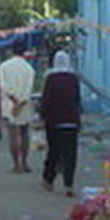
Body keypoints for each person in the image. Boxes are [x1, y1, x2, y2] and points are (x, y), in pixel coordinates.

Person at [39, 50, 81, 196]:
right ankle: (69, 185)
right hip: (71, 121)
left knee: (54, 151)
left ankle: (48, 179)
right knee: (71, 154)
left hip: (54, 122)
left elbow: (46, 99)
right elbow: (77, 99)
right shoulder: (73, 79)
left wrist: (42, 115)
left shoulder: (51, 78)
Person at [0, 42, 35, 173]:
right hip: (24, 105)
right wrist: (21, 102)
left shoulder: (4, 66)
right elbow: (29, 89)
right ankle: (25, 163)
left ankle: (16, 164)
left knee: (13, 135)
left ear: (11, 52)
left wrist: (15, 102)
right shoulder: (29, 68)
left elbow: (4, 86)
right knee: (25, 134)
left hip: (10, 104)